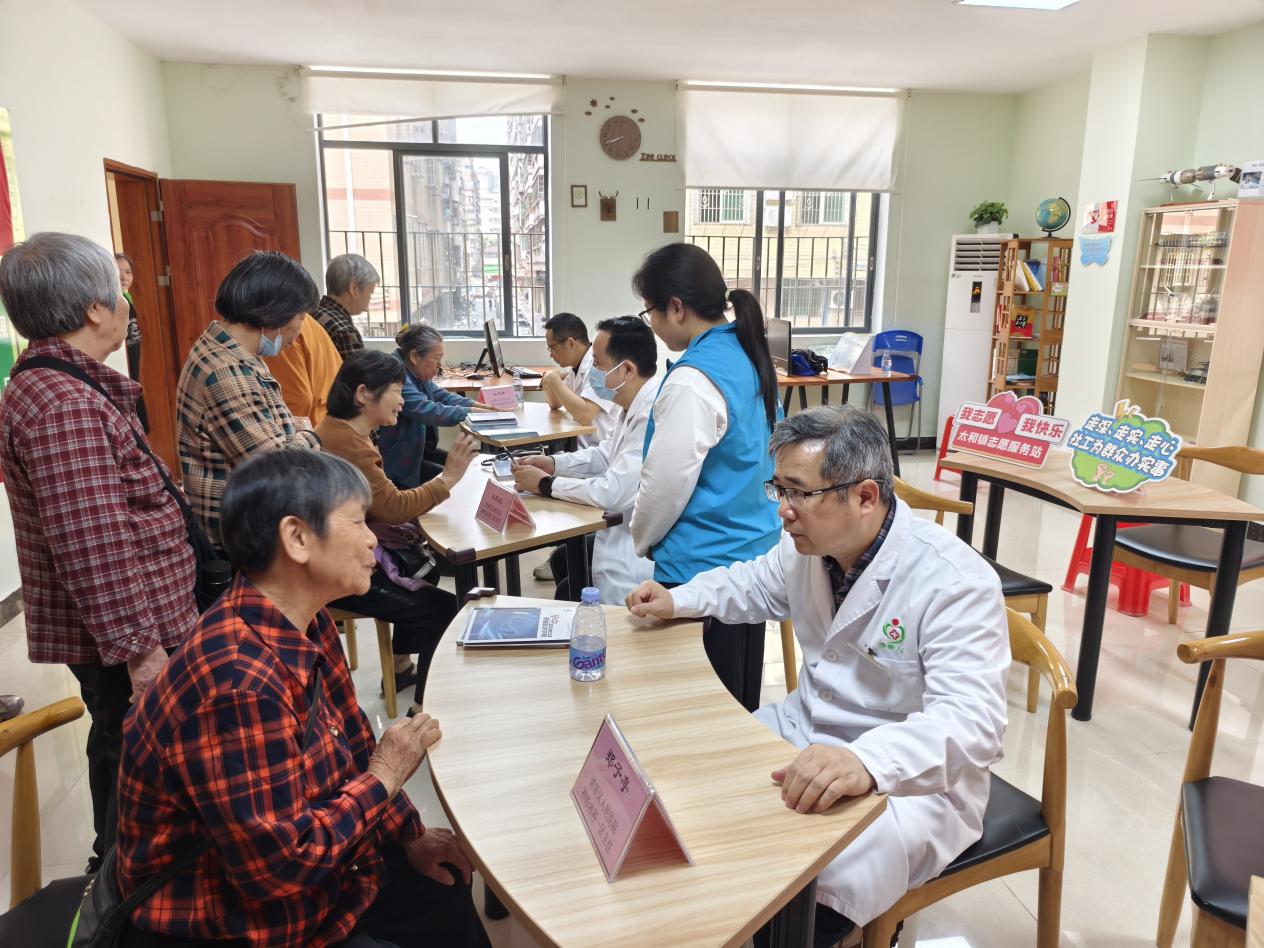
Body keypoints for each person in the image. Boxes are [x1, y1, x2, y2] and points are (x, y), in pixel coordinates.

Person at [626, 406, 1008, 947]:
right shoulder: (807, 546)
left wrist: (866, 762)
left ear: (866, 496)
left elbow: (974, 723)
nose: (783, 511)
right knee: (696, 787)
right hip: (802, 731)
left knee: (817, 882)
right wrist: (679, 599)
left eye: (800, 493)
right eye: (779, 489)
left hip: (907, 780)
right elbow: (753, 584)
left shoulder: (953, 581)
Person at [116, 449, 490, 948]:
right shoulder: (236, 681)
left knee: (445, 891)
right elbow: (278, 869)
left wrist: (409, 834)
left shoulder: (306, 620)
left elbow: (354, 743)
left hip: (316, 877)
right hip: (240, 920)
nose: (372, 539)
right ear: (296, 538)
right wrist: (386, 775)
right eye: (357, 521)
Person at [0, 232, 197, 873]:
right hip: (129, 637)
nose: (126, 306)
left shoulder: (65, 384)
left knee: (123, 744)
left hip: (133, 625)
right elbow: (94, 543)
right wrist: (142, 651)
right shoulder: (63, 404)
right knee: (133, 756)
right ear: (93, 307)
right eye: (120, 294)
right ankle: (122, 888)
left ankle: (122, 872)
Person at [629, 242, 782, 712]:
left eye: (651, 312)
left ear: (676, 307)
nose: (652, 325)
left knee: (697, 714)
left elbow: (663, 487)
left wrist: (641, 538)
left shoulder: (693, 379)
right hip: (752, 559)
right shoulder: (745, 353)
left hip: (700, 569)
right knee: (737, 700)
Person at [316, 350, 478, 714]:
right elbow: (392, 506)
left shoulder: (347, 432)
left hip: (347, 551)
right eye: (396, 391)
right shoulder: (348, 442)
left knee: (427, 570)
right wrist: (448, 478)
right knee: (445, 611)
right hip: (340, 569)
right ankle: (421, 710)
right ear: (363, 394)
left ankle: (401, 666)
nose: (403, 401)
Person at [176, 251, 321, 552]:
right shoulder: (226, 371)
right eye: (300, 318)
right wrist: (312, 435)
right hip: (240, 538)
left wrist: (292, 432)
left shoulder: (227, 349)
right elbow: (280, 468)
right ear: (273, 313)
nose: (299, 331)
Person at [512, 315, 655, 603]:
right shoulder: (629, 405)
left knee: (569, 588)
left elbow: (613, 492)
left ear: (627, 370)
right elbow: (605, 454)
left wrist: (547, 484)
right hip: (619, 530)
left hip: (633, 554)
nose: (594, 373)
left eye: (598, 364)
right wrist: (554, 464)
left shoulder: (650, 414)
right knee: (564, 564)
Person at [379, 323, 494, 489]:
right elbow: (427, 410)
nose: (440, 364)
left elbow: (442, 396)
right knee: (459, 481)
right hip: (401, 462)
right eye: (436, 358)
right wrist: (471, 412)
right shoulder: (396, 373)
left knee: (470, 467)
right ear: (415, 357)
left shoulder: (415, 371)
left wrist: (479, 406)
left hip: (419, 451)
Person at [540, 312, 617, 448]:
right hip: (578, 445)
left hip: (598, 449)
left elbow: (585, 415)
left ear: (570, 343)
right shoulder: (575, 367)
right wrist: (551, 381)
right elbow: (555, 404)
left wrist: (553, 379)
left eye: (552, 348)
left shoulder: (599, 366)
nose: (551, 355)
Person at [263, 314, 344, 427]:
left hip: (317, 427)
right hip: (338, 420)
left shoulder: (280, 330)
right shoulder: (303, 321)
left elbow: (297, 400)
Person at [312, 252, 379, 360]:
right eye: (370, 293)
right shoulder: (343, 331)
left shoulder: (311, 313)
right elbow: (358, 371)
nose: (369, 300)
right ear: (353, 289)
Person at [113, 251, 149, 431]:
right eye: (117, 271)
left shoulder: (127, 298)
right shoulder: (112, 302)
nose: (123, 276)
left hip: (133, 364)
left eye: (128, 272)